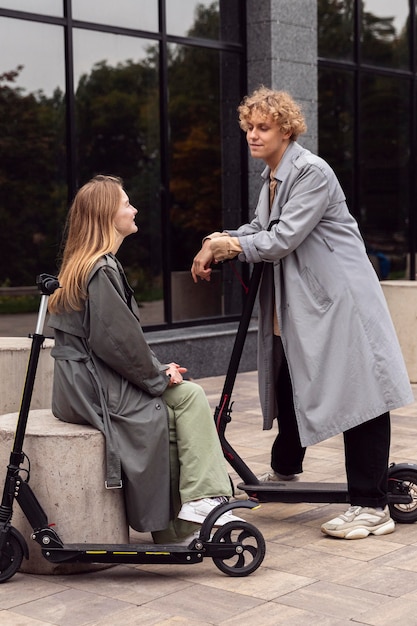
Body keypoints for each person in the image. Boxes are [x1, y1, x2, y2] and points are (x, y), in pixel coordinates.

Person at [191, 86, 414, 540]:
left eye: (262, 128)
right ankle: (285, 471)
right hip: (306, 306)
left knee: (361, 397)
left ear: (286, 130)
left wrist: (227, 245)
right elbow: (259, 229)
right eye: (249, 127)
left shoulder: (311, 172)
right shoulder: (273, 176)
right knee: (288, 378)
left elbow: (281, 239)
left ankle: (372, 507)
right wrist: (221, 238)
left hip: (341, 303)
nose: (252, 135)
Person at [47, 174, 243, 546]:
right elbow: (118, 344)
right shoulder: (101, 269)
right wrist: (158, 376)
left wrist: (158, 370)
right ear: (107, 215)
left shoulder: (87, 264)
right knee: (183, 402)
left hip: (82, 382)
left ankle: (178, 522)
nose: (134, 209)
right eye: (126, 203)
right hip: (93, 387)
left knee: (179, 407)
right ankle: (201, 502)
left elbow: (120, 341)